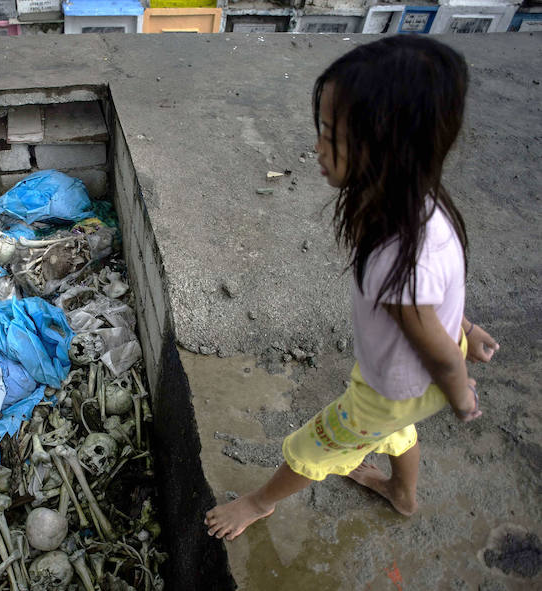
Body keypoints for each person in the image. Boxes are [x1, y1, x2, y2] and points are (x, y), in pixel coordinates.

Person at [204, 35, 500, 542]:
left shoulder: (395, 254)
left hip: (397, 387)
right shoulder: (424, 203)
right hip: (409, 381)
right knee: (396, 428)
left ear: (381, 145)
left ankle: (260, 502)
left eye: (328, 133)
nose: (316, 146)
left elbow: (436, 349)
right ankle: (401, 495)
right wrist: (467, 329)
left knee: (314, 447)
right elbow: (437, 305)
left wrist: (460, 393)